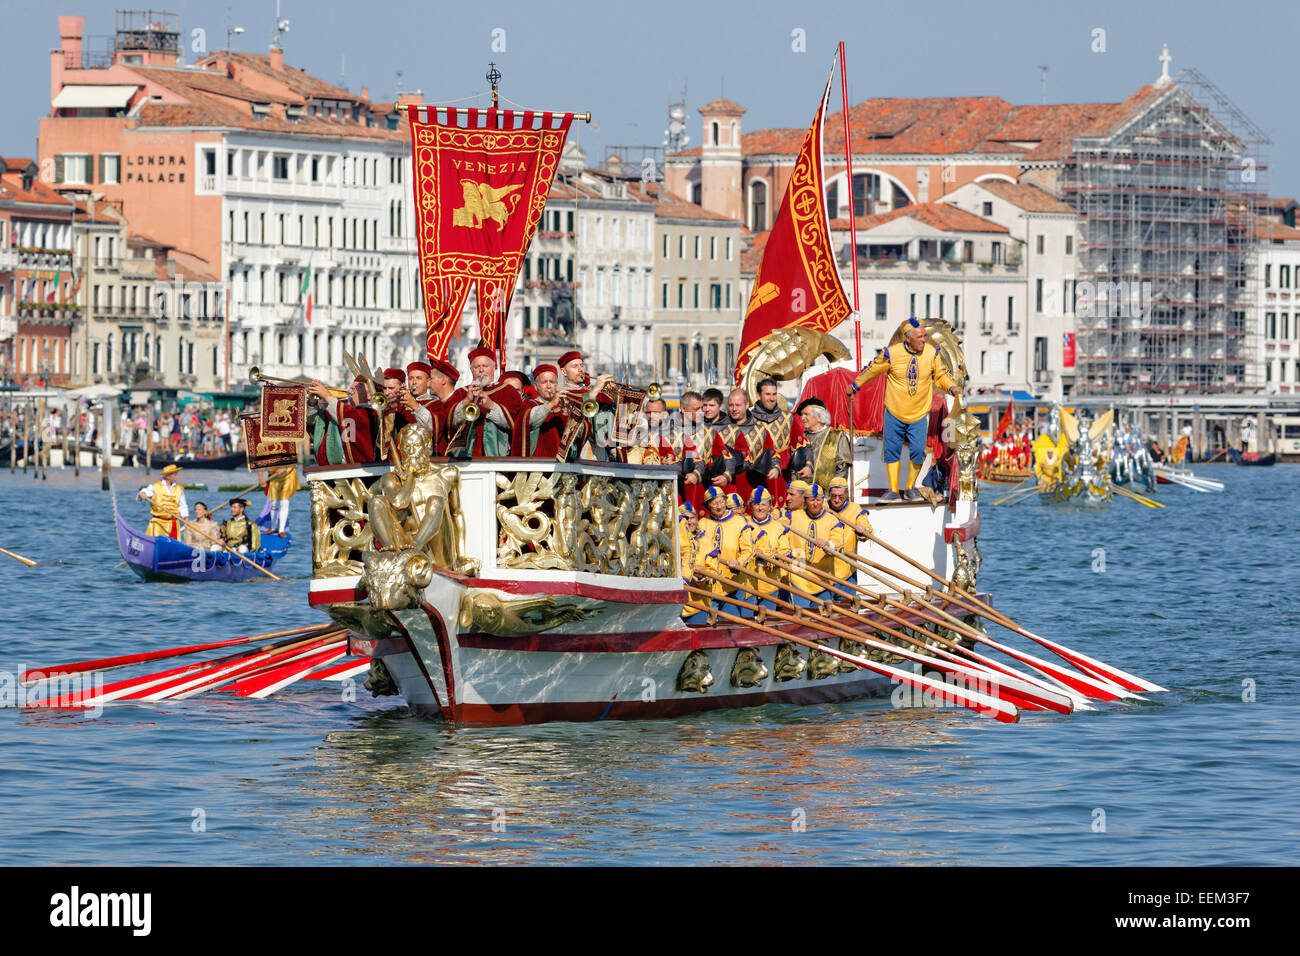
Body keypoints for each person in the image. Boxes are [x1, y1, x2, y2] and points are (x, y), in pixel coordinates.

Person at [851, 317, 962, 502]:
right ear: (907, 338)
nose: (924, 340)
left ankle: (910, 488)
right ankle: (893, 490)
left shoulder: (931, 353)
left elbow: (941, 376)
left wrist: (951, 387)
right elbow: (873, 370)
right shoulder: (891, 353)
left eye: (925, 336)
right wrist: (855, 385)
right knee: (892, 451)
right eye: (919, 337)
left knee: (918, 450)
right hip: (894, 411)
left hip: (919, 413)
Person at [691, 486, 756, 620]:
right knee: (707, 629)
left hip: (732, 585)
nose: (719, 506)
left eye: (721, 502)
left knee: (730, 628)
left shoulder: (740, 522)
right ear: (708, 505)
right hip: (708, 585)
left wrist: (738, 562)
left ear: (726, 501)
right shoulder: (702, 523)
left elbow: (748, 550)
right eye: (714, 503)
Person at [784, 483, 850, 608]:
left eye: (818, 500)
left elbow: (838, 542)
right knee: (800, 617)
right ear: (805, 501)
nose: (815, 504)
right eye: (811, 500)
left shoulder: (833, 521)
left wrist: (828, 544)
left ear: (823, 501)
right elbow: (777, 528)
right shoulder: (793, 517)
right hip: (799, 577)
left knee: (822, 619)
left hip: (822, 577)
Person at [788, 398, 852, 489]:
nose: (802, 418)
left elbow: (842, 471)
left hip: (827, 498)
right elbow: (793, 470)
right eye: (801, 415)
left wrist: (832, 494)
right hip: (802, 496)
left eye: (806, 414)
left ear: (819, 417)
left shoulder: (837, 437)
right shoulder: (801, 438)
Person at [745, 487, 789, 612]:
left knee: (768, 623)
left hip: (770, 583)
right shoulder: (743, 523)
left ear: (770, 506)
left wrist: (774, 555)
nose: (760, 508)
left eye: (763, 504)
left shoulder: (779, 526)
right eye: (756, 504)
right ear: (750, 505)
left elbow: (785, 550)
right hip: (747, 585)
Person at [826, 477, 872, 583]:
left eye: (841, 496)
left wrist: (863, 530)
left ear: (846, 495)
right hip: (825, 571)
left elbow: (867, 530)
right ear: (829, 494)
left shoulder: (855, 509)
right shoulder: (822, 507)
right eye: (834, 496)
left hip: (847, 571)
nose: (837, 500)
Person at [137, 464, 188, 539]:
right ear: (168, 476)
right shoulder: (155, 486)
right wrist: (142, 494)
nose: (177, 476)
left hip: (173, 524)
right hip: (158, 523)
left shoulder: (179, 489)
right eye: (175, 474)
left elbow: (183, 506)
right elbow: (144, 492)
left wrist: (186, 519)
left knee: (173, 546)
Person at [260, 466, 302, 537]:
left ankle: (281, 530)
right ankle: (273, 527)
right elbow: (259, 463)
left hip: (287, 476)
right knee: (274, 504)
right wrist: (260, 478)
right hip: (274, 477)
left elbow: (293, 460)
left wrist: (284, 468)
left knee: (284, 502)